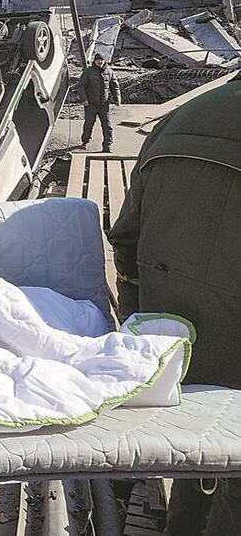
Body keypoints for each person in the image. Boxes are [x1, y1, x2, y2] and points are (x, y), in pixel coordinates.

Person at [107, 75, 241, 535]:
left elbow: (125, 240)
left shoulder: (177, 119)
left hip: (176, 354)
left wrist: (142, 332)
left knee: (196, 471)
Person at [78, 53, 121, 152]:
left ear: (105, 61)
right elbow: (81, 86)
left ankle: (108, 145)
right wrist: (84, 99)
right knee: (88, 124)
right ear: (94, 61)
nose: (100, 62)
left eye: (101, 60)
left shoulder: (109, 72)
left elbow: (114, 86)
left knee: (107, 125)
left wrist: (117, 98)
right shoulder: (88, 72)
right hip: (90, 104)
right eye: (98, 60)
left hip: (104, 104)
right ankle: (85, 142)